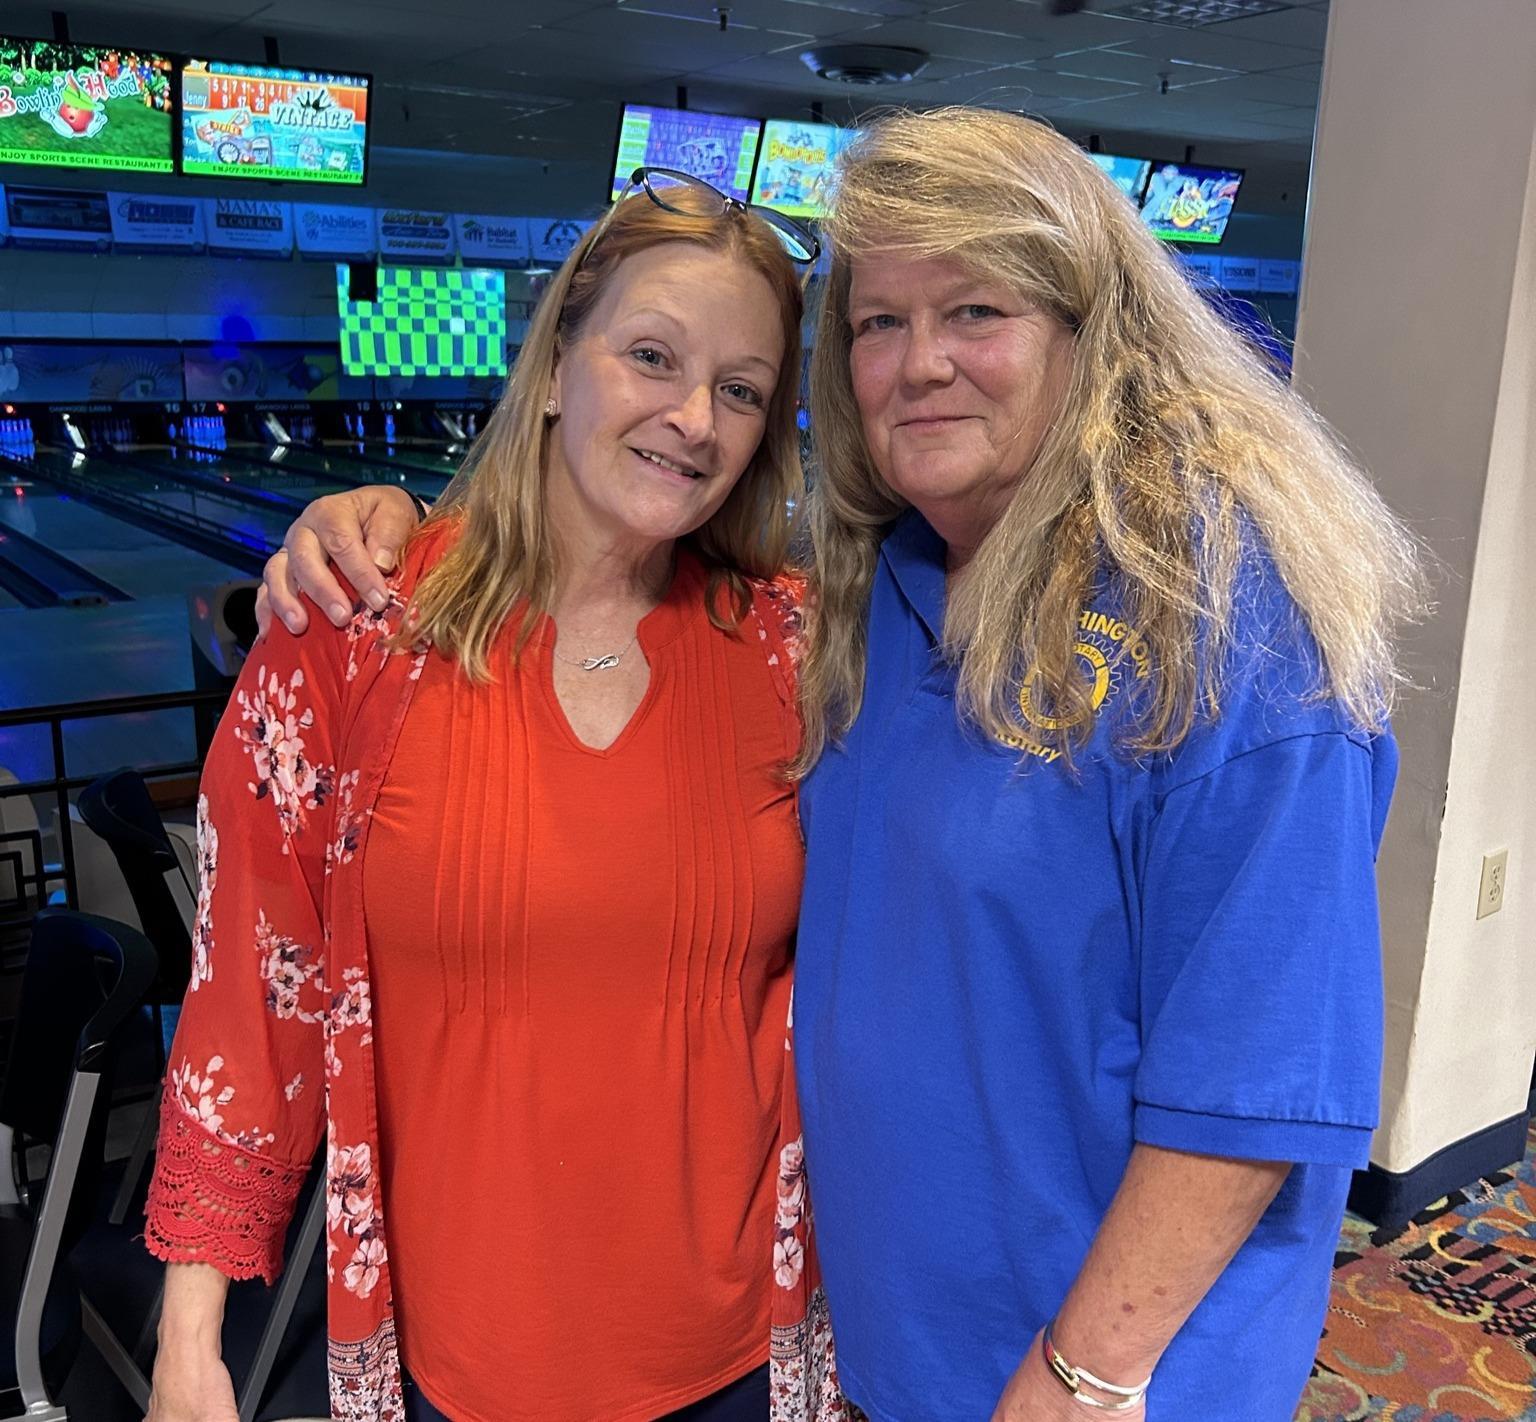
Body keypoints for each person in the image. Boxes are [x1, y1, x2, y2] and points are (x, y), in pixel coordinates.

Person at [262, 108, 1424, 1422]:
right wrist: (389, 522)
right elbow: (586, 545)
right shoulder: (881, 582)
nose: (918, 364)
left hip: (1098, 1375)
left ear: (1092, 332)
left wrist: (1080, 1376)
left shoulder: (1236, 623)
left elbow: (1253, 1089)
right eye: (879, 322)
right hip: (864, 1341)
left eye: (975, 311)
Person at [143, 172, 840, 1422]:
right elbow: (253, 985)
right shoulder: (356, 630)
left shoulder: (797, 652)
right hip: (458, 1373)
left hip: (745, 1360)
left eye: (741, 389)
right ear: (560, 353)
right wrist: (191, 1337)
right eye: (650, 355)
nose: (694, 416)